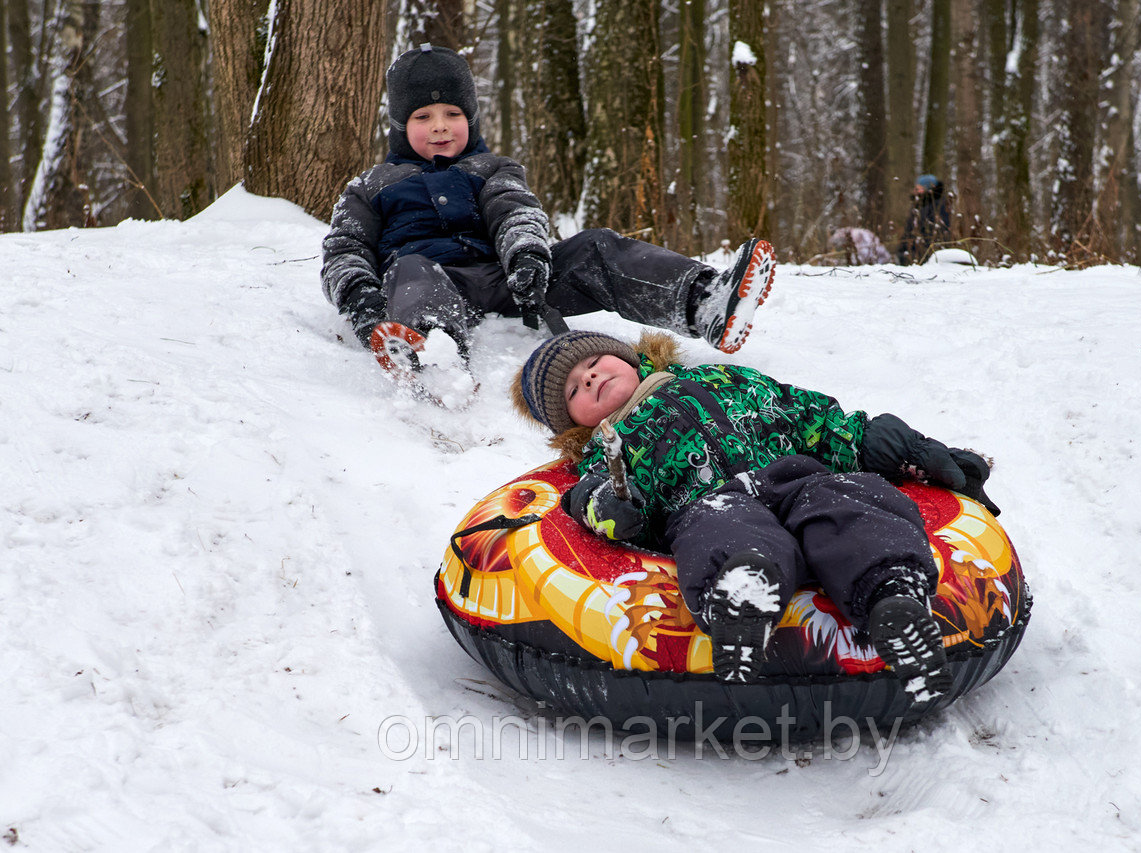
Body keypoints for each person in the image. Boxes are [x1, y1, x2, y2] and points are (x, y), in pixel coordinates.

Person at [511, 329, 1000, 707]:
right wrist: (608, 507)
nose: (591, 377)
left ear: (631, 358)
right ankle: (743, 593)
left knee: (848, 500)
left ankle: (893, 599)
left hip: (795, 479)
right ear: (572, 423)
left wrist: (896, 448)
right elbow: (591, 498)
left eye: (595, 362)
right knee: (721, 527)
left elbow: (808, 417)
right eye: (575, 387)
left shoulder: (720, 379)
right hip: (708, 503)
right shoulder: (607, 448)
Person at [322, 44, 775, 386]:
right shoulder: (371, 184)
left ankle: (704, 302)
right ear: (401, 125)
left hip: (512, 283)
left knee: (594, 247)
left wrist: (528, 258)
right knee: (412, 268)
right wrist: (362, 300)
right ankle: (431, 353)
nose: (439, 125)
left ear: (472, 119)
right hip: (426, 285)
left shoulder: (493, 168)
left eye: (452, 113)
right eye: (423, 116)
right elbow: (344, 249)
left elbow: (514, 210)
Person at [896, 174, 951, 264]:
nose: (915, 191)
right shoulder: (919, 206)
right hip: (914, 254)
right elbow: (909, 231)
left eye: (918, 188)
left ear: (928, 189)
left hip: (926, 256)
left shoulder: (938, 206)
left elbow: (937, 232)